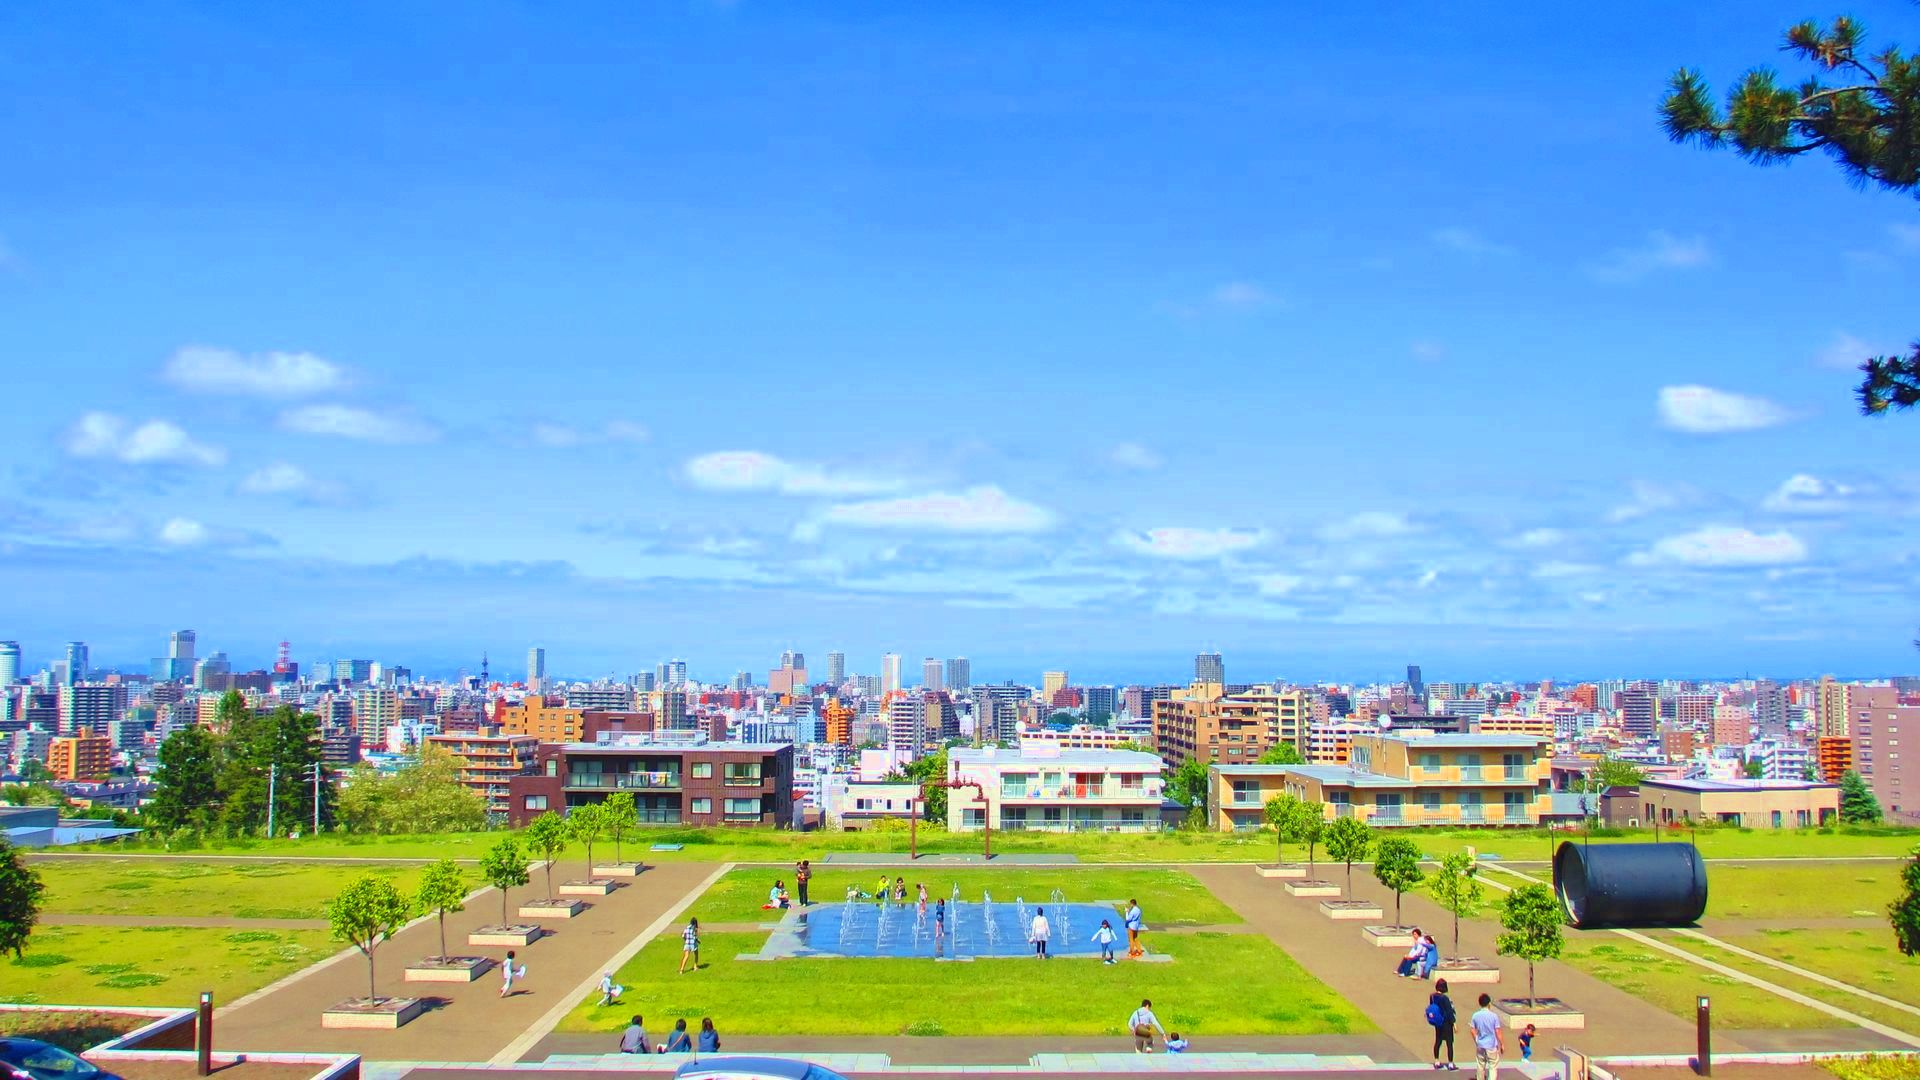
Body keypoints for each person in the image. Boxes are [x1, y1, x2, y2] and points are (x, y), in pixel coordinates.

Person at [1471, 993, 1504, 1080]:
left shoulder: (1475, 1015)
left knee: (1480, 1066)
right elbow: (1498, 1031)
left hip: (1480, 1045)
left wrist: (1477, 1040)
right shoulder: (1494, 1016)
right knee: (1492, 1066)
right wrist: (1502, 1044)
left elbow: (1472, 1030)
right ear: (1489, 1003)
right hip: (1491, 1045)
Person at [1428, 978, 1458, 1071]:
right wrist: (1454, 1023)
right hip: (1446, 1023)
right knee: (1449, 1043)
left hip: (1438, 1022)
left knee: (1438, 1041)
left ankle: (1436, 1061)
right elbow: (1449, 1012)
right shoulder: (1445, 998)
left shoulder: (1432, 996)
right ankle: (1450, 1064)